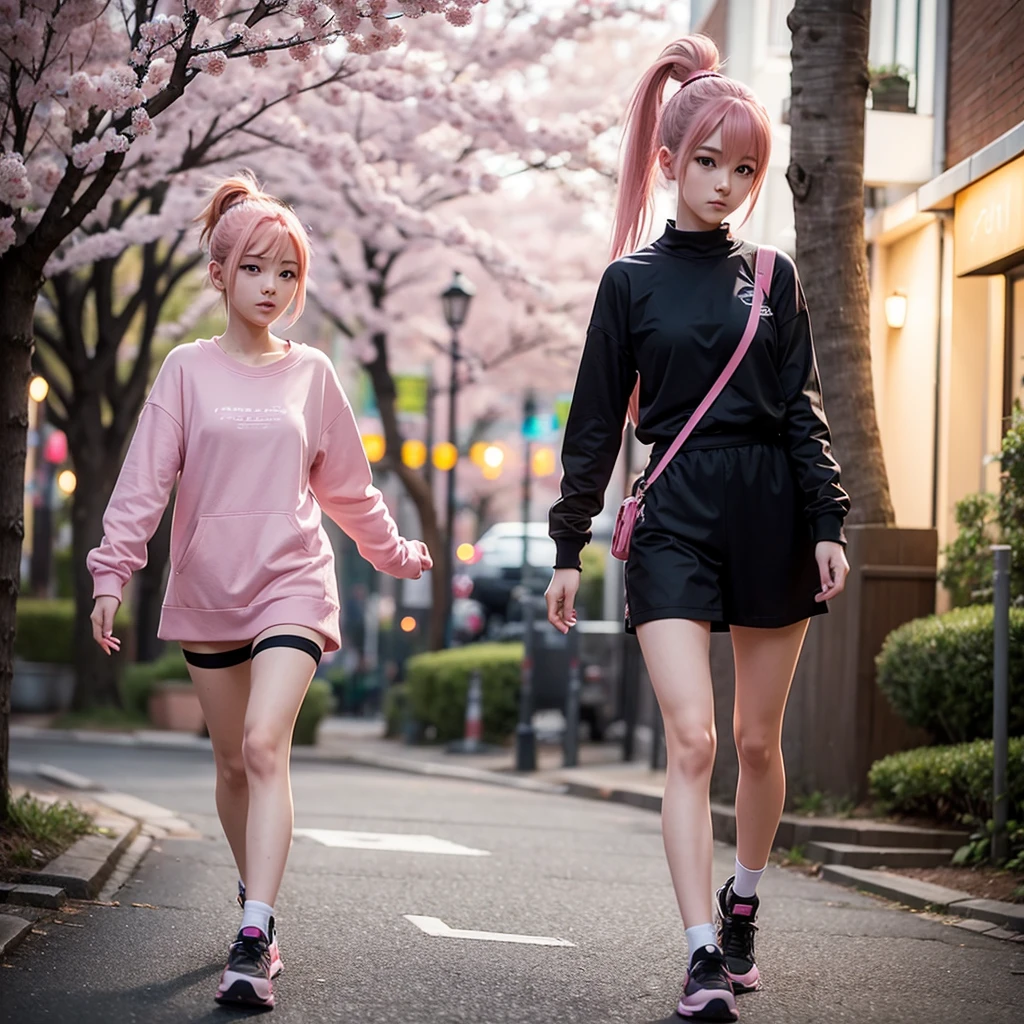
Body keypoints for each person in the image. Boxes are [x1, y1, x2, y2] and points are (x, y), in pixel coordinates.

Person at [546, 36, 851, 1023]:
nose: (726, 183)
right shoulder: (626, 284)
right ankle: (698, 953)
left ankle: (744, 902)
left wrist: (827, 523)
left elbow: (798, 408)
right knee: (694, 738)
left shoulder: (774, 275)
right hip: (672, 520)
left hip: (768, 512)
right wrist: (567, 544)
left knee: (757, 745)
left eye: (745, 168)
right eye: (708, 162)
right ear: (670, 160)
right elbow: (593, 426)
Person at [87, 172, 432, 1010]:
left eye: (287, 273)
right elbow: (145, 481)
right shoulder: (184, 371)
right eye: (255, 269)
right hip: (208, 586)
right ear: (219, 273)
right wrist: (111, 570)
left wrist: (391, 553)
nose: (272, 288)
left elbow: (348, 486)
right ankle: (255, 898)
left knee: (265, 742)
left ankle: (254, 931)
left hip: (292, 582)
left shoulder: (312, 374)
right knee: (232, 761)